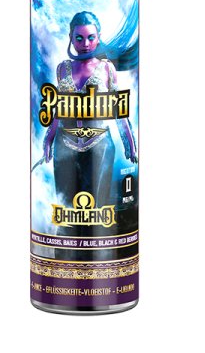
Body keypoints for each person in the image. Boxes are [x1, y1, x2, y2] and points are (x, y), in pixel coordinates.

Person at [43, 11, 137, 212]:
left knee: (98, 208)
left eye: (91, 37)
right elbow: (59, 110)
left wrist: (130, 143)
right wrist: (48, 139)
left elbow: (118, 109)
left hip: (100, 145)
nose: (85, 43)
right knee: (65, 207)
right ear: (71, 37)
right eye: (79, 38)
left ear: (98, 38)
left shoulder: (107, 68)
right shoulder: (62, 68)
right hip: (64, 145)